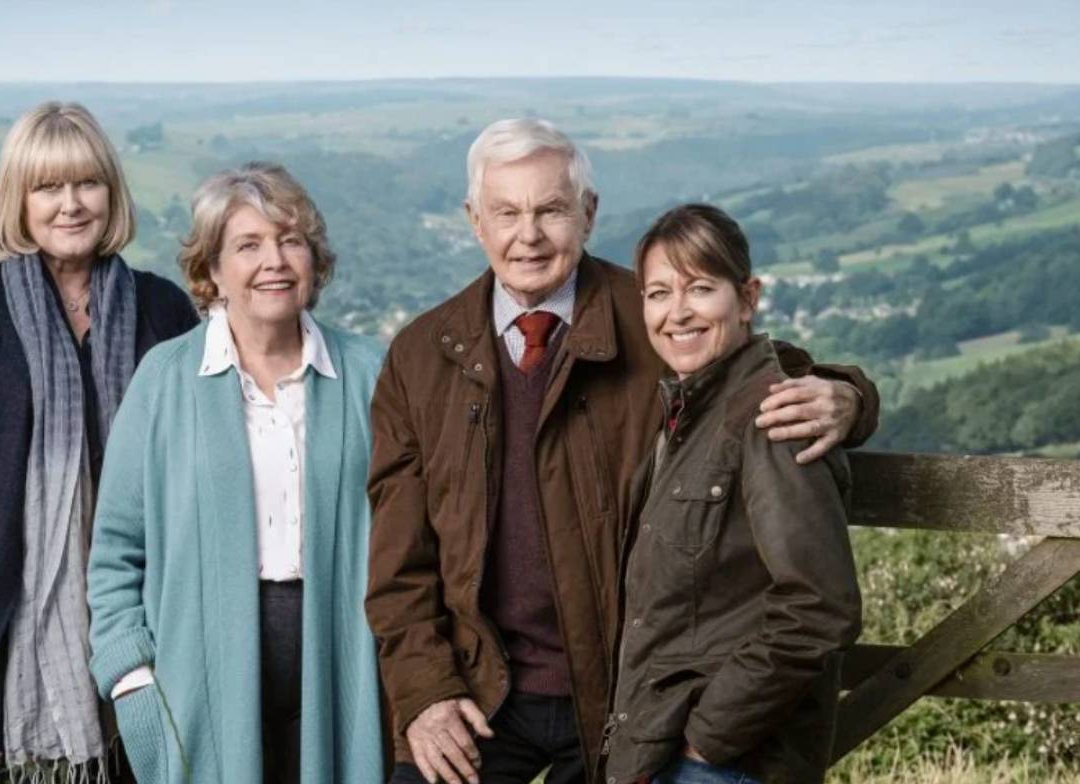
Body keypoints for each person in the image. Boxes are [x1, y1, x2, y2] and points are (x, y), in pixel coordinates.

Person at [365, 118, 879, 784]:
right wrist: (429, 692)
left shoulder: (653, 313)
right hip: (478, 692)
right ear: (475, 221)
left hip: (623, 695)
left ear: (588, 213)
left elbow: (757, 376)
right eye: (506, 213)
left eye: (550, 210)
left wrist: (848, 396)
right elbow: (398, 564)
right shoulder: (421, 355)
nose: (529, 235)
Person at [0, 101, 198, 783]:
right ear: (17, 200)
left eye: (87, 183)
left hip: (135, 632)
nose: (71, 205)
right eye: (47, 187)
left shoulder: (162, 311)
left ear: (111, 192)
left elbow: (195, 465)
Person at [87, 162, 386, 784]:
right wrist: (132, 683)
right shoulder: (164, 380)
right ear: (212, 271)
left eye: (291, 241)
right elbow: (116, 550)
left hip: (346, 675)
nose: (273, 261)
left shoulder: (370, 375)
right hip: (197, 682)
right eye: (248, 245)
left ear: (314, 260)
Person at [603, 204, 861, 784]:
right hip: (668, 744)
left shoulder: (772, 417)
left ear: (747, 297)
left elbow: (820, 606)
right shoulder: (688, 407)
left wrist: (707, 739)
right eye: (658, 293)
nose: (677, 313)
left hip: (728, 761)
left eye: (700, 288)